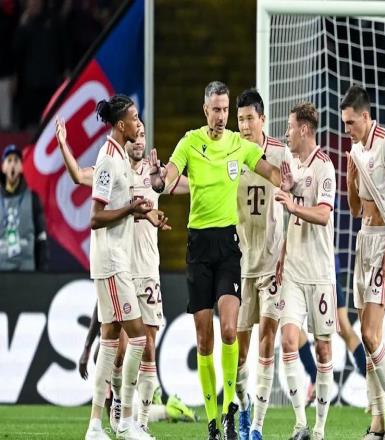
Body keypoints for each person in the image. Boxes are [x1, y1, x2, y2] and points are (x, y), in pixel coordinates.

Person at [149, 81, 292, 440]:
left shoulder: (238, 145)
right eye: (216, 109)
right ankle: (212, 421)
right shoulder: (189, 142)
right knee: (204, 340)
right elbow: (167, 181)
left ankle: (229, 409)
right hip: (198, 247)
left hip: (229, 246)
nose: (221, 116)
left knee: (229, 330)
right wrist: (156, 178)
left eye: (225, 110)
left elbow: (270, 172)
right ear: (205, 110)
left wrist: (286, 178)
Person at [56, 117, 175, 438]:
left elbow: (186, 185)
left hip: (147, 270)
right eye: (136, 134)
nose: (139, 140)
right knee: (119, 349)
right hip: (120, 267)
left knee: (147, 347)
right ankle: (119, 414)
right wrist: (64, 145)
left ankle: (140, 422)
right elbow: (78, 175)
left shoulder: (155, 175)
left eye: (143, 135)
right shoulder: (114, 169)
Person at [83, 94, 166, 440]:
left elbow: (120, 206)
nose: (138, 123)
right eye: (133, 118)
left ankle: (95, 425)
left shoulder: (118, 157)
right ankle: (126, 420)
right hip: (112, 261)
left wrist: (143, 212)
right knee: (138, 337)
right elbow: (95, 217)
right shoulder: (107, 161)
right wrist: (130, 210)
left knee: (109, 339)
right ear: (121, 125)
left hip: (116, 260)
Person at [341, 84, 385, 440]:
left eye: (351, 122)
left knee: (369, 335)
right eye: (344, 123)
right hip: (364, 240)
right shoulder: (355, 150)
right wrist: (350, 180)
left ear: (366, 117)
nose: (347, 129)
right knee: (370, 339)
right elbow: (355, 210)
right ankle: (377, 423)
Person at [275, 102, 337, 440]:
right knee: (288, 341)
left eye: (290, 126)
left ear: (304, 129)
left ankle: (320, 429)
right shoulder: (292, 165)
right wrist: (283, 252)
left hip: (320, 273)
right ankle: (300, 423)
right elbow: (294, 216)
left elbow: (323, 215)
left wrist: (292, 204)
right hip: (294, 272)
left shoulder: (324, 166)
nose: (286, 132)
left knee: (323, 350)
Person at [233, 88, 293, 440]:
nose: (244, 125)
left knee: (267, 340)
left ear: (262, 120)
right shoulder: (230, 153)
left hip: (272, 264)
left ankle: (257, 425)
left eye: (249, 119)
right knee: (239, 352)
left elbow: (298, 194)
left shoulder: (280, 154)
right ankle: (243, 409)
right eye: (240, 119)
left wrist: (288, 250)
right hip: (242, 265)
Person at [299, 254, 367, 406]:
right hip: (295, 271)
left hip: (324, 269)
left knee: (343, 328)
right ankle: (314, 377)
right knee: (291, 327)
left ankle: (372, 382)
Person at [0, 144, 48, 271]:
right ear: (3, 167)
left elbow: (41, 237)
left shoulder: (33, 198)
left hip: (26, 271)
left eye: (16, 160)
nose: (13, 164)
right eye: (9, 160)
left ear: (21, 167)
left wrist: (43, 271)